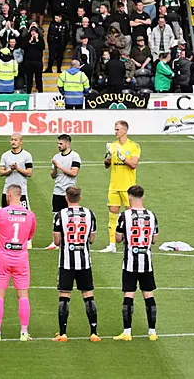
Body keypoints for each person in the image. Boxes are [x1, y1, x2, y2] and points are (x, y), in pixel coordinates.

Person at [0, 185, 37, 342]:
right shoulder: (30, 215)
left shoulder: (0, 213)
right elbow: (29, 236)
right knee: (23, 295)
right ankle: (23, 332)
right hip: (21, 258)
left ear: (9, 195)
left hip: (3, 257)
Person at [52, 186, 100, 342]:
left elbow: (57, 241)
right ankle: (94, 332)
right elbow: (92, 239)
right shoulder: (89, 214)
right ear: (80, 197)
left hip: (66, 262)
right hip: (84, 261)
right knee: (88, 295)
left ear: (66, 198)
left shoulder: (60, 215)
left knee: (64, 296)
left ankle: (63, 333)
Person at [113, 185, 159, 341]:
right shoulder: (152, 215)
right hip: (146, 262)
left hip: (130, 263)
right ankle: (152, 332)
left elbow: (118, 238)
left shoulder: (124, 216)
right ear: (143, 197)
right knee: (149, 295)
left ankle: (127, 332)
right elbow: (154, 239)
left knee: (129, 294)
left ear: (129, 197)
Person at [101, 121, 141, 253]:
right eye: (115, 129)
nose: (115, 132)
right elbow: (107, 165)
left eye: (117, 129)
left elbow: (134, 164)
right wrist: (108, 158)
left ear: (125, 131)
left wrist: (122, 157)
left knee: (132, 215)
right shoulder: (112, 146)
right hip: (114, 186)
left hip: (128, 187)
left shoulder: (134, 146)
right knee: (112, 215)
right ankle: (112, 244)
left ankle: (133, 242)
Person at [45, 134, 82, 251]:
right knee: (56, 217)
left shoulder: (75, 156)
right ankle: (56, 242)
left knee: (70, 217)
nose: (58, 146)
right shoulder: (56, 157)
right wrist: (55, 168)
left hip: (69, 192)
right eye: (58, 143)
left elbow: (74, 173)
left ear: (67, 144)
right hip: (57, 191)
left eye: (60, 143)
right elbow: (52, 175)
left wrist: (59, 166)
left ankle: (70, 239)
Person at [0, 133, 34, 215]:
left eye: (15, 140)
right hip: (7, 191)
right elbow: (0, 172)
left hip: (21, 192)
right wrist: (10, 170)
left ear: (21, 142)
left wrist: (17, 168)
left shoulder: (27, 155)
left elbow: (29, 172)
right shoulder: (5, 155)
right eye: (12, 140)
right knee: (5, 215)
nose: (13, 142)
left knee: (24, 215)